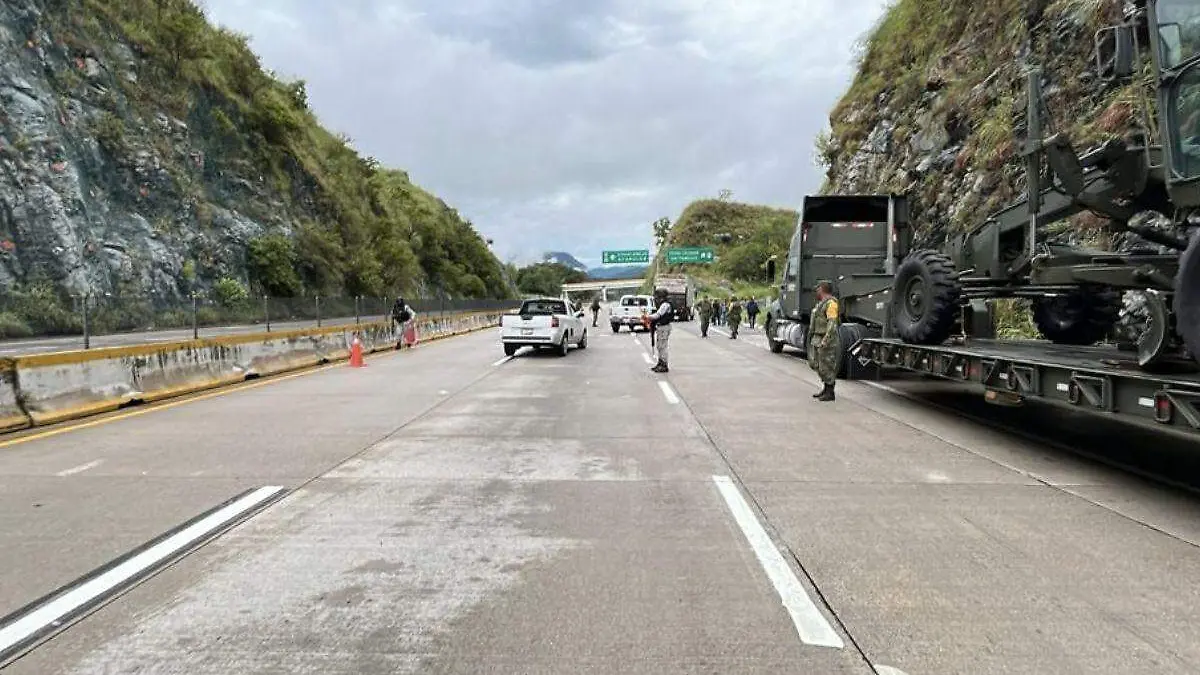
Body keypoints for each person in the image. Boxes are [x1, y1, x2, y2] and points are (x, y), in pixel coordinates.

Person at [809, 281, 841, 401]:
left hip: (826, 339)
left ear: (822, 289)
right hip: (818, 337)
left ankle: (830, 392)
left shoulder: (831, 304)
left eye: (817, 289)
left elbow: (832, 324)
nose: (816, 292)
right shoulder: (821, 304)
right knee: (818, 364)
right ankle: (826, 388)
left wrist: (826, 340)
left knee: (827, 365)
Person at [647, 287, 674, 373]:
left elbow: (658, 315)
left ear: (661, 296)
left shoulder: (665, 305)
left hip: (664, 327)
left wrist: (648, 317)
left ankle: (664, 365)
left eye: (657, 296)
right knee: (659, 346)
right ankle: (660, 363)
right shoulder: (663, 304)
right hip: (661, 327)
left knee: (663, 346)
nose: (656, 298)